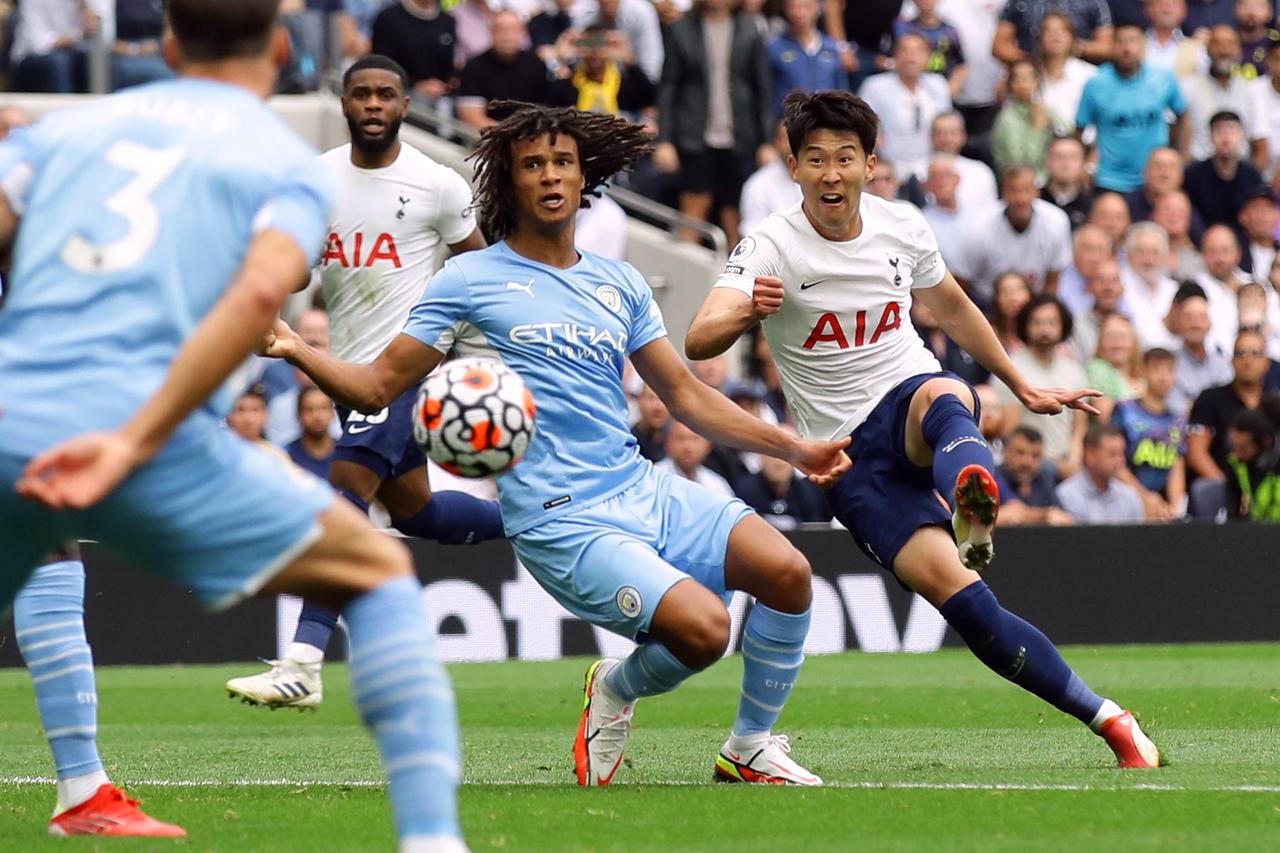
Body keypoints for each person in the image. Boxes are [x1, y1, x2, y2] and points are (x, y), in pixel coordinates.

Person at [260, 101, 852, 787]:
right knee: (706, 628)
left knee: (788, 575)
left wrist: (791, 448)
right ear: (509, 183)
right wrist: (291, 345)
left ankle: (749, 746)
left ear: (582, 179)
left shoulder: (620, 281)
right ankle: (616, 688)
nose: (549, 175)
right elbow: (373, 386)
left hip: (640, 487)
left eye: (562, 163)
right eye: (533, 164)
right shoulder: (465, 281)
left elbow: (686, 396)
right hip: (561, 518)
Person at [0, 0, 468, 847]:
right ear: (284, 50)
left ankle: (82, 788)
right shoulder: (282, 167)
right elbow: (261, 299)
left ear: (169, 45)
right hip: (145, 436)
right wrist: (133, 440)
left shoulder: (65, 133)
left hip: (12, 416)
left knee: (49, 557)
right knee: (371, 567)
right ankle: (432, 837)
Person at [686, 89, 1160, 769]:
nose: (830, 173)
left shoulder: (901, 226)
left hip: (909, 396)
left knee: (941, 393)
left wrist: (1020, 383)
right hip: (847, 458)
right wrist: (746, 314)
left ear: (870, 164)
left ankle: (973, 494)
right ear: (793, 168)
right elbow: (700, 338)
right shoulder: (769, 244)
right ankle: (1107, 714)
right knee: (969, 608)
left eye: (844, 158)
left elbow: (955, 307)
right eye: (814, 159)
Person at [226, 54, 503, 708]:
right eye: (362, 94)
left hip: (407, 366)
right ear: (345, 103)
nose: (374, 104)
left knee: (343, 493)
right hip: (351, 374)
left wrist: (452, 340)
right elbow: (296, 276)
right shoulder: (316, 180)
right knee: (419, 512)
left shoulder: (437, 185)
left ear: (405, 106)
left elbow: (482, 273)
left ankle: (303, 661)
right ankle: (532, 519)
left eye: (386, 94)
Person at [655, 0, 774, 249]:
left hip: (741, 137)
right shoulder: (681, 30)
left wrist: (767, 141)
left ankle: (738, 281)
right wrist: (664, 140)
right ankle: (685, 279)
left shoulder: (750, 30)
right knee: (693, 213)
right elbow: (668, 89)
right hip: (694, 136)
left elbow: (762, 89)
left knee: (737, 219)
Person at [1076, 22, 1187, 194]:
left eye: (1132, 41)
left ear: (1143, 46)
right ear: (1112, 47)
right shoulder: (1096, 83)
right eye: (1120, 42)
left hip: (1154, 178)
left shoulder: (1163, 79)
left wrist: (1182, 155)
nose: (1126, 48)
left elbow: (1183, 114)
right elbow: (1079, 128)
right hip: (1108, 179)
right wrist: (1083, 167)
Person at [951, 165, 1073, 308]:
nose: (1020, 198)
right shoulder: (979, 226)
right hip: (987, 302)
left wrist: (1042, 311)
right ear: (1003, 193)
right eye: (1013, 190)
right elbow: (961, 281)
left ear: (1037, 192)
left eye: (1026, 190)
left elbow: (1053, 279)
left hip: (1034, 302)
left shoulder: (1056, 221)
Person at [996, 295, 1090, 478]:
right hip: (1027, 466)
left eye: (1052, 322)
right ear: (1025, 326)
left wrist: (1073, 460)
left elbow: (1079, 427)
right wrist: (1052, 464)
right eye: (1037, 323)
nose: (1044, 329)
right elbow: (1010, 430)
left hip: (1069, 463)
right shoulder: (1010, 369)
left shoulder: (1075, 371)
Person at [1186, 329, 1271, 515]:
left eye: (1255, 354)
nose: (1247, 360)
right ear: (1231, 360)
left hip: (1268, 495)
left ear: (1267, 363)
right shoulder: (1210, 399)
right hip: (1222, 493)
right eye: (1241, 353)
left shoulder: (1273, 406)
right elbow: (1196, 453)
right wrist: (1231, 489)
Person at [857, 33, 951, 181]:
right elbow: (863, 129)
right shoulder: (875, 86)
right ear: (895, 55)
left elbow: (948, 127)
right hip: (889, 167)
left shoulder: (938, 85)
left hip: (930, 165)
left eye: (918, 51)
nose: (911, 57)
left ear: (928, 57)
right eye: (904, 50)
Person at [1179, 25, 1270, 169]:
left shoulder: (1251, 90)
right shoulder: (1187, 87)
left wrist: (1253, 184)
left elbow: (1260, 145)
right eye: (1217, 43)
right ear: (1207, 49)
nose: (1224, 50)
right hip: (1197, 174)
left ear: (1239, 50)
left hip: (1240, 174)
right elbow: (1178, 138)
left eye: (1230, 43)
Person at [456, 11, 565, 130]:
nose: (507, 36)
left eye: (513, 29)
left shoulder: (536, 64)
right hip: (490, 138)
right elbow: (471, 117)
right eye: (501, 30)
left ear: (523, 33)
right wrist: (509, 136)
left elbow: (548, 110)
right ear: (491, 32)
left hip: (532, 136)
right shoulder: (474, 67)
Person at [1113, 347, 1188, 519]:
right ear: (1144, 371)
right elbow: (1115, 462)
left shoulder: (1178, 420)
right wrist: (1144, 497)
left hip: (1162, 506)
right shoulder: (1125, 411)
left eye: (1169, 370)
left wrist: (1175, 507)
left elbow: (1177, 464)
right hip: (1124, 498)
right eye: (1156, 369)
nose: (1163, 377)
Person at [733, 426, 833, 529]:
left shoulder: (810, 493)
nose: (778, 462)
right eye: (772, 453)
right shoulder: (744, 492)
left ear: (797, 459)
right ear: (761, 455)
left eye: (785, 455)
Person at [1184, 111, 1265, 230]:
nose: (1226, 138)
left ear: (1241, 136)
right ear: (1210, 137)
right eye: (1219, 132)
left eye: (1231, 131)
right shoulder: (1193, 174)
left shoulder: (1253, 176)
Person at [769, 0, 848, 118]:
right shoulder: (774, 48)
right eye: (793, 7)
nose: (800, 13)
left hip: (827, 123)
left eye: (806, 7)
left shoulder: (832, 48)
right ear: (785, 9)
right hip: (790, 125)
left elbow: (842, 93)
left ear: (817, 8)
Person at [1055, 424, 1148, 523]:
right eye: (1113, 454)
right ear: (1090, 455)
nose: (1120, 461)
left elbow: (1138, 537)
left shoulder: (1130, 496)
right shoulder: (1067, 495)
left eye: (1122, 454)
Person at [992, 59, 1065, 183]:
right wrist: (1038, 129)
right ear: (1010, 84)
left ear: (1037, 81)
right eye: (1017, 79)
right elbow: (1021, 164)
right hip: (1021, 183)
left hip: (1051, 179)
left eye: (1029, 78)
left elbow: (1067, 130)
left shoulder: (1043, 109)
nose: (1023, 83)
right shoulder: (1007, 119)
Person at [1168, 283, 1234, 416]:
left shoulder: (1222, 363)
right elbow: (1175, 409)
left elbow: (1231, 405)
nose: (1195, 324)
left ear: (1210, 324)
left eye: (1201, 317)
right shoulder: (1169, 363)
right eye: (1189, 317)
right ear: (1179, 323)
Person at [370, 0, 456, 100]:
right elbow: (382, 65)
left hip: (439, 97)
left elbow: (448, 69)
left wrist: (443, 86)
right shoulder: (389, 17)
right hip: (399, 93)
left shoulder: (448, 22)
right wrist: (415, 85)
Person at [995, 426, 1075, 525]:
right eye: (1020, 453)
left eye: (1035, 456)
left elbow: (1061, 516)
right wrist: (1044, 516)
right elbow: (1011, 513)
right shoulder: (994, 476)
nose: (1027, 462)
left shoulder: (1043, 479)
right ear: (1006, 452)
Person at [994, 0, 1114, 65]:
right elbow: (999, 47)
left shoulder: (1093, 2)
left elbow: (1107, 48)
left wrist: (1072, 46)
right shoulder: (1020, 2)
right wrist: (1032, 62)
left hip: (1077, 75)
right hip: (1032, 78)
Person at [1122, 222, 1180, 350]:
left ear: (1165, 256)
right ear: (1128, 254)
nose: (1148, 259)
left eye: (1155, 253)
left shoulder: (1174, 290)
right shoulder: (1119, 287)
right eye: (1141, 252)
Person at [893, 0, 967, 99]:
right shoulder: (901, 28)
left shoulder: (950, 32)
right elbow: (887, 58)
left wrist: (948, 92)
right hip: (905, 90)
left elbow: (961, 64)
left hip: (940, 89)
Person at [1036, 11, 1097, 132]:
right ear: (1040, 39)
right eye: (1048, 31)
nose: (1056, 35)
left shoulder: (1091, 75)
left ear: (1073, 39)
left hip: (1081, 145)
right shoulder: (1029, 75)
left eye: (1063, 30)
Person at [929, 111, 998, 215]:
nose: (947, 139)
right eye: (940, 133)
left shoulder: (981, 171)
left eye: (952, 133)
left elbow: (992, 213)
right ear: (931, 137)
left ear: (963, 136)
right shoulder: (918, 174)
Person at [1224, 403, 1280, 519]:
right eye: (1234, 446)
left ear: (1266, 443)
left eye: (1243, 448)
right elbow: (1233, 514)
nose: (1236, 454)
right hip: (1255, 530)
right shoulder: (1236, 464)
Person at [1087, 313, 1145, 421]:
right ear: (1101, 342)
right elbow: (1104, 416)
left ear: (1134, 341)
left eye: (1122, 336)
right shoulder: (1098, 369)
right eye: (1110, 336)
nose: (1117, 343)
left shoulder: (1144, 373)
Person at [656, 420, 735, 498]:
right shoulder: (654, 478)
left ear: (708, 445)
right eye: (681, 438)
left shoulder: (717, 484)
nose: (688, 446)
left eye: (695, 438)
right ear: (667, 443)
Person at [1041, 135, 1095, 230]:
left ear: (1083, 163)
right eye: (1058, 157)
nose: (1065, 164)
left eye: (1072, 158)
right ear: (1047, 161)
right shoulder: (1034, 201)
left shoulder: (1094, 205)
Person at [285, 386, 337, 480]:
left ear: (333, 412)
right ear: (299, 415)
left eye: (323, 408)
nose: (317, 416)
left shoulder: (347, 454)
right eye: (309, 409)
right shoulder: (285, 456)